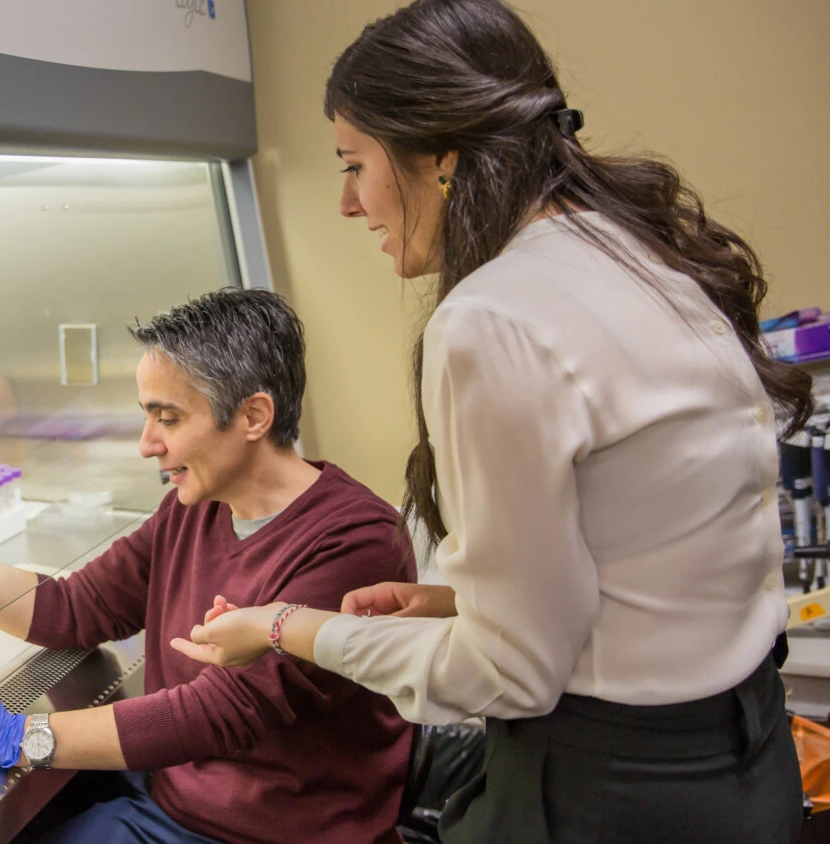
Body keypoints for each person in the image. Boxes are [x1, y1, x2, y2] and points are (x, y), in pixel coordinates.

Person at [173, 1, 817, 842]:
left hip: (610, 792)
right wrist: (455, 601)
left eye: (353, 164)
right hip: (746, 757)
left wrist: (286, 627)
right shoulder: (634, 250)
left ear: (441, 157)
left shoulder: (490, 320)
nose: (346, 202)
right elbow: (646, 541)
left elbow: (508, 673)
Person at [0, 289, 415, 844]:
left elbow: (219, 713)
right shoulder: (193, 508)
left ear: (254, 416)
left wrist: (25, 737)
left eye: (168, 418)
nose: (148, 443)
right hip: (171, 807)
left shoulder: (355, 542)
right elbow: (76, 608)